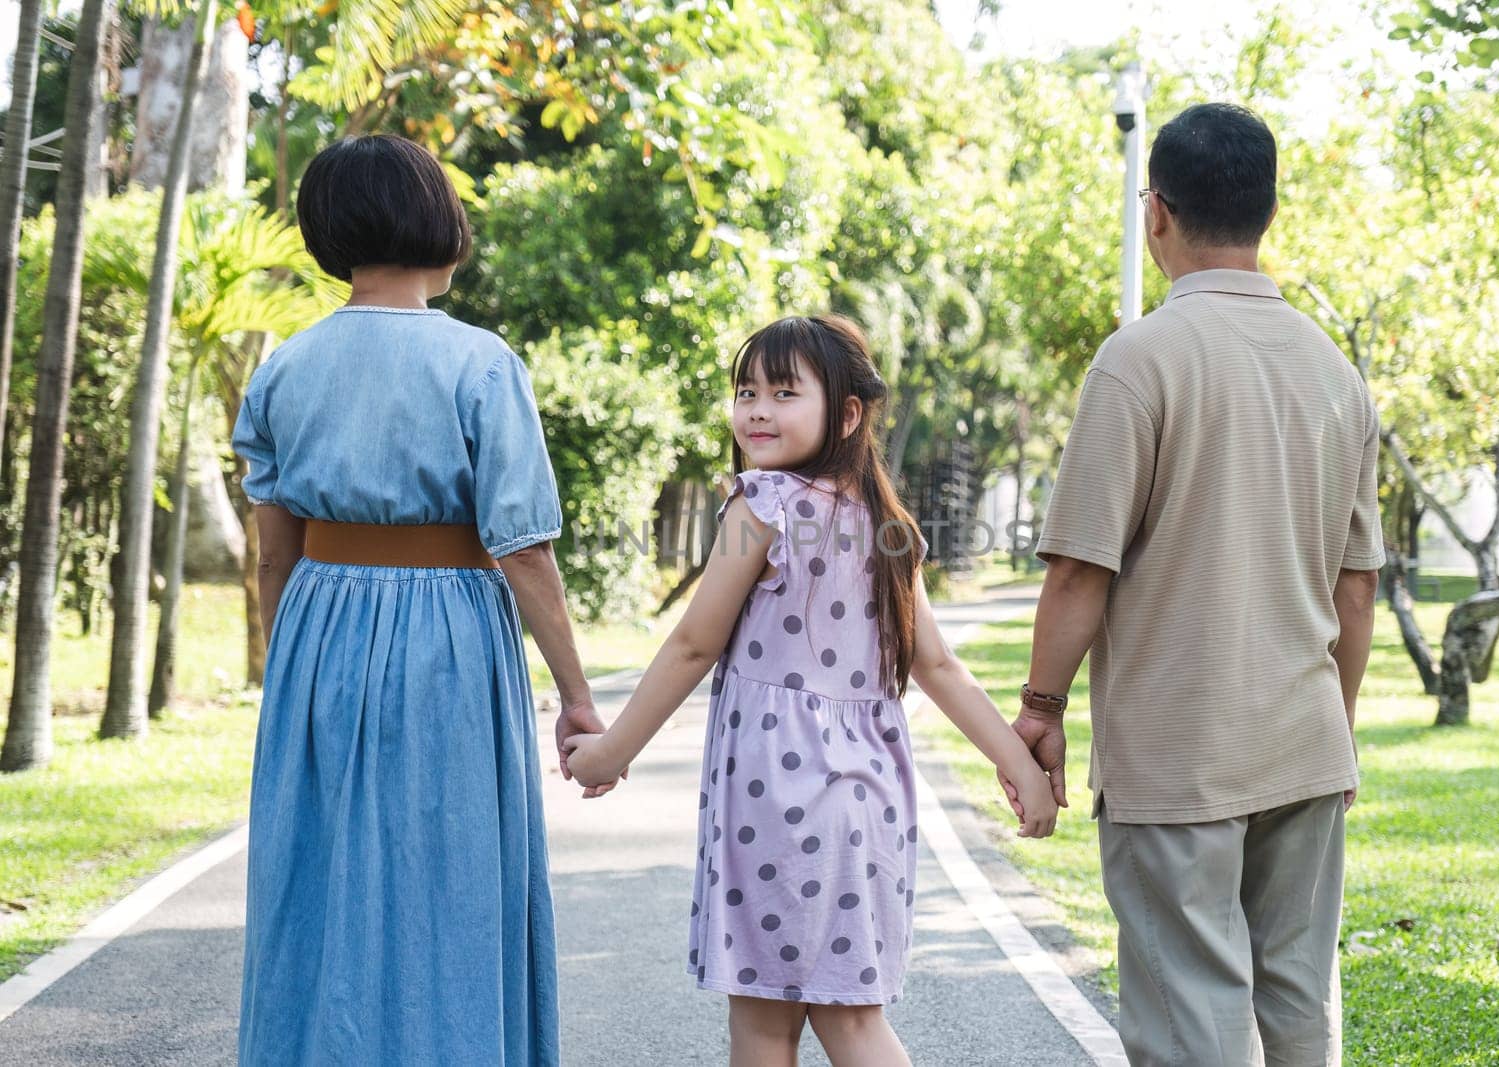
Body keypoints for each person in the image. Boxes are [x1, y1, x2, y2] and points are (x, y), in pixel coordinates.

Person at [564, 315, 1058, 1067]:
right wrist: (1019, 766)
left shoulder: (759, 507)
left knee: (765, 1025)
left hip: (773, 796)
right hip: (867, 800)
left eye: (784, 392)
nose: (757, 409)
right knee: (853, 1019)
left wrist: (610, 751)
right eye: (746, 391)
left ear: (848, 413)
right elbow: (941, 668)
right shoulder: (885, 523)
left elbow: (694, 642)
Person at [1008, 103, 1382, 1065]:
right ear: (1265, 211)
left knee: (1191, 1013)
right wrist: (1334, 726)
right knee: (1300, 1001)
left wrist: (1042, 705)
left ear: (1158, 213)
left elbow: (1081, 567)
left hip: (1179, 755)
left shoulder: (1139, 360)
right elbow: (1355, 589)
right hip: (1305, 742)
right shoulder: (1336, 374)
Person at [233, 134, 615, 1065]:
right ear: (439, 224)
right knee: (449, 870)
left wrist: (291, 660)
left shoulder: (287, 365)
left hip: (320, 628)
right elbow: (522, 550)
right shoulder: (481, 364)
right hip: (448, 625)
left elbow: (273, 546)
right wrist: (576, 693)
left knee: (320, 876)